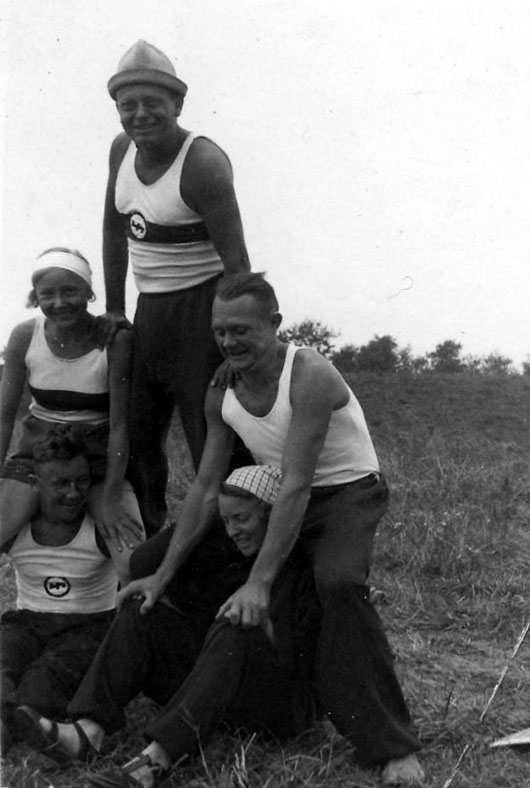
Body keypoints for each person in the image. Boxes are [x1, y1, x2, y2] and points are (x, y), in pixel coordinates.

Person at [116, 273, 425, 785]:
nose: (228, 342)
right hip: (275, 495)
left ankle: (392, 746)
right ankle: (221, 682)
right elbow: (205, 488)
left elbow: (300, 486)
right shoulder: (223, 388)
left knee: (338, 584)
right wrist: (163, 571)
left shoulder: (310, 375)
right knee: (149, 565)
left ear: (275, 325)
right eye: (219, 332)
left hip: (342, 493)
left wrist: (258, 580)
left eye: (241, 330)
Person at [16, 465, 322, 788]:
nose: (233, 531)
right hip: (216, 688)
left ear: (272, 516)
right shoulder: (224, 550)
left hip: (272, 704)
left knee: (236, 627)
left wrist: (258, 625)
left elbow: (301, 661)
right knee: (142, 609)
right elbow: (155, 570)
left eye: (242, 519)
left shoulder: (303, 567)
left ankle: (155, 762)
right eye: (227, 521)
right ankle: (87, 731)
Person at [102, 39, 251, 534]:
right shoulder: (121, 150)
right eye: (129, 105)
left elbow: (237, 264)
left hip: (201, 308)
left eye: (153, 104)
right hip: (150, 311)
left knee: (208, 431)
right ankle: (153, 537)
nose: (141, 115)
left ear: (178, 105)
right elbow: (112, 228)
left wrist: (232, 339)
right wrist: (117, 308)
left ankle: (225, 547)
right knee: (139, 433)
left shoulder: (202, 163)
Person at [0, 247, 144, 580]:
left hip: (95, 457)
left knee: (133, 562)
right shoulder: (26, 335)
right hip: (36, 452)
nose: (59, 302)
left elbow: (120, 425)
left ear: (89, 293)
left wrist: (109, 495)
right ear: (34, 297)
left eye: (70, 291)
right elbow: (4, 417)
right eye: (47, 294)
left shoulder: (114, 339)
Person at [0, 429, 122, 757]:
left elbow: (133, 569)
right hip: (28, 620)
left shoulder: (99, 526)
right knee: (3, 663)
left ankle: (16, 725)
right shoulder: (14, 525)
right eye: (60, 484)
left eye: (81, 481)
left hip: (87, 624)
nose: (73, 493)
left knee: (40, 683)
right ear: (35, 486)